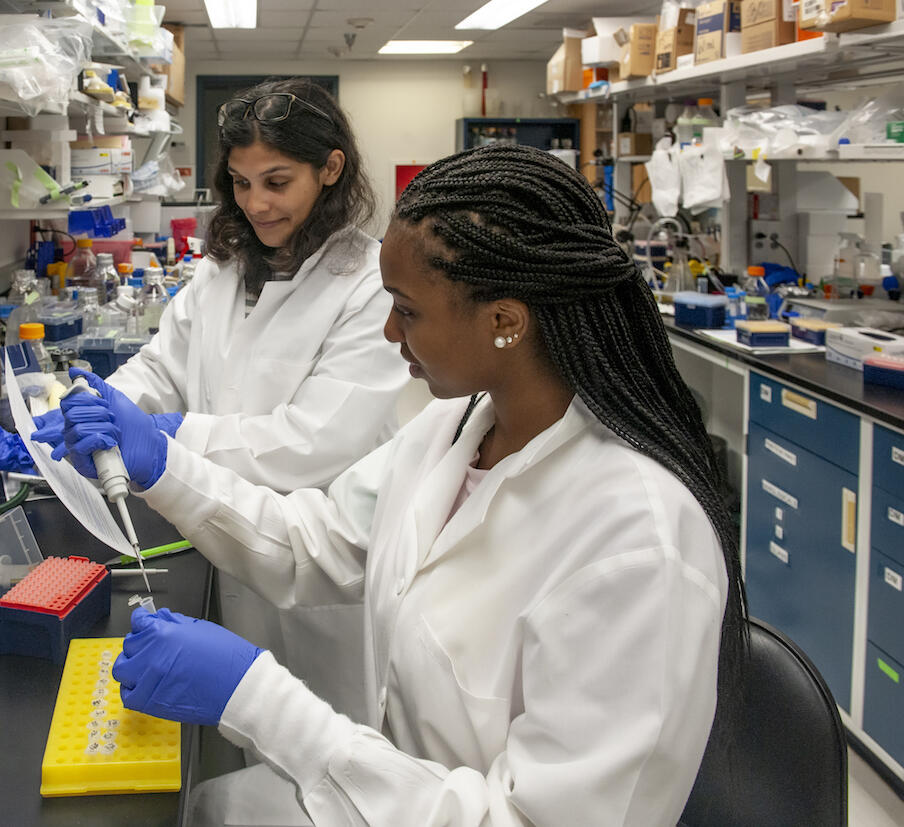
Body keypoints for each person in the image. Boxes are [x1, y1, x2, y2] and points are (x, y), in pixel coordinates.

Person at [39, 144, 748, 825]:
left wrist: (257, 698)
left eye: (406, 310)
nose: (386, 330)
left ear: (505, 321)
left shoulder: (636, 541)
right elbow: (318, 541)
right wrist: (164, 467)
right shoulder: (456, 429)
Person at [44, 78, 408, 722]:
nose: (256, 204)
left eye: (276, 182)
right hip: (219, 538)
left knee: (313, 750)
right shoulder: (226, 268)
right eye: (241, 183)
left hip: (316, 572)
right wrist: (94, 407)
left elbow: (314, 442)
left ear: (330, 169)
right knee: (221, 739)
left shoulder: (368, 286)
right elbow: (163, 364)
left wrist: (170, 435)